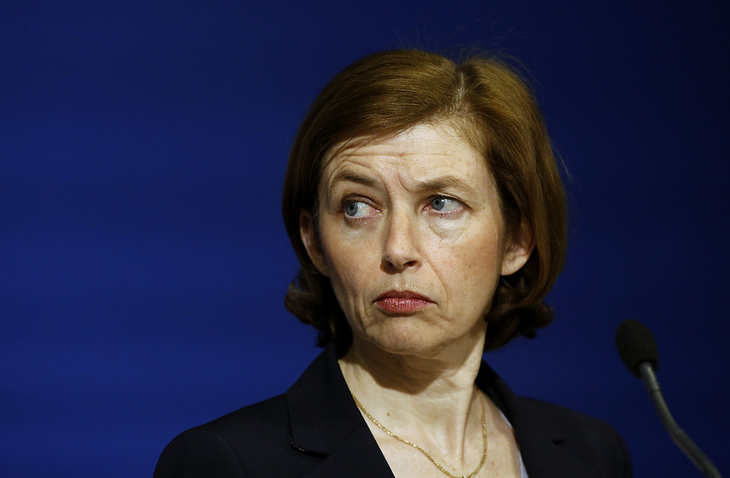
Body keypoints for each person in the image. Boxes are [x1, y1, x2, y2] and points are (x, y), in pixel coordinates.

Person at [154, 49, 632, 478]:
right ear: (314, 242)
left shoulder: (593, 455)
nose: (398, 249)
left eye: (441, 203)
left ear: (517, 242)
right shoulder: (228, 464)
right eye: (357, 207)